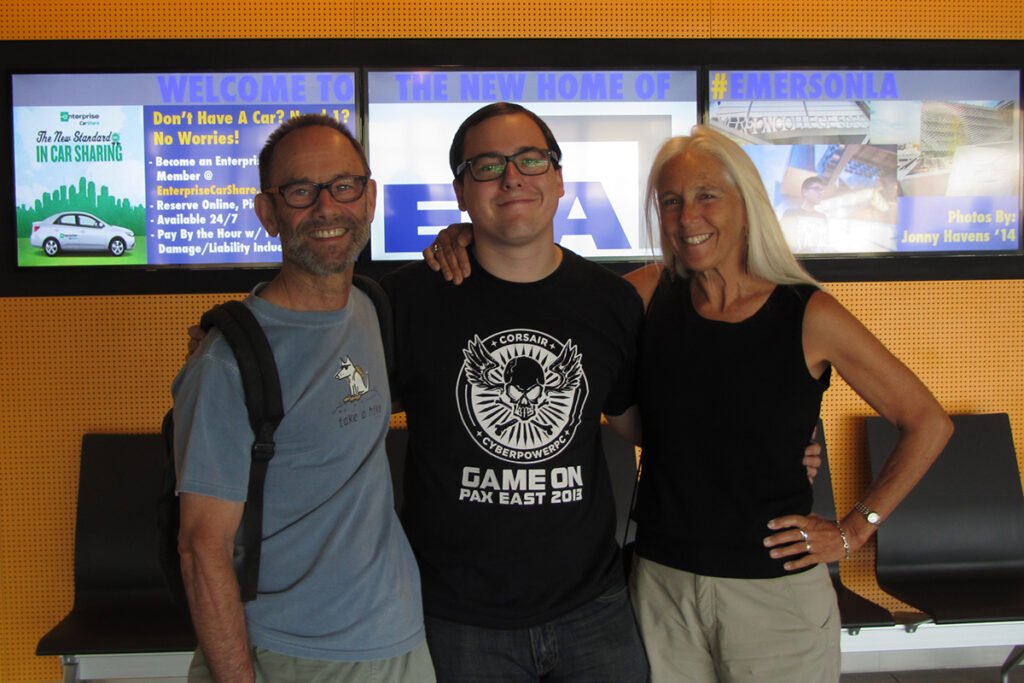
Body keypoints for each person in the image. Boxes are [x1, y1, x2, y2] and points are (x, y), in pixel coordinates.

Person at [623, 126, 953, 682]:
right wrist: (466, 238)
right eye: (671, 201)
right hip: (662, 586)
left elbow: (928, 422)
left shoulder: (808, 313)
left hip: (774, 595)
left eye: (707, 195)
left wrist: (854, 529)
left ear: (746, 203)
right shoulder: (649, 295)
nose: (687, 217)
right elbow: (548, 295)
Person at [380, 102, 651, 682]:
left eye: (530, 159)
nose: (512, 177)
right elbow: (339, 405)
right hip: (455, 619)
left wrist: (778, 440)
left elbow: (642, 423)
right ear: (460, 190)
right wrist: (233, 330)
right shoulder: (407, 301)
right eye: (487, 165)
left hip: (595, 610)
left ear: (557, 178)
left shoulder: (611, 302)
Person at [173, 114, 433, 683]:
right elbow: (201, 548)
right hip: (288, 654)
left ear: (368, 199)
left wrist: (461, 236)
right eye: (300, 191)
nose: (326, 208)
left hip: (400, 640)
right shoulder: (226, 361)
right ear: (268, 214)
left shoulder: (371, 305)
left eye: (343, 186)